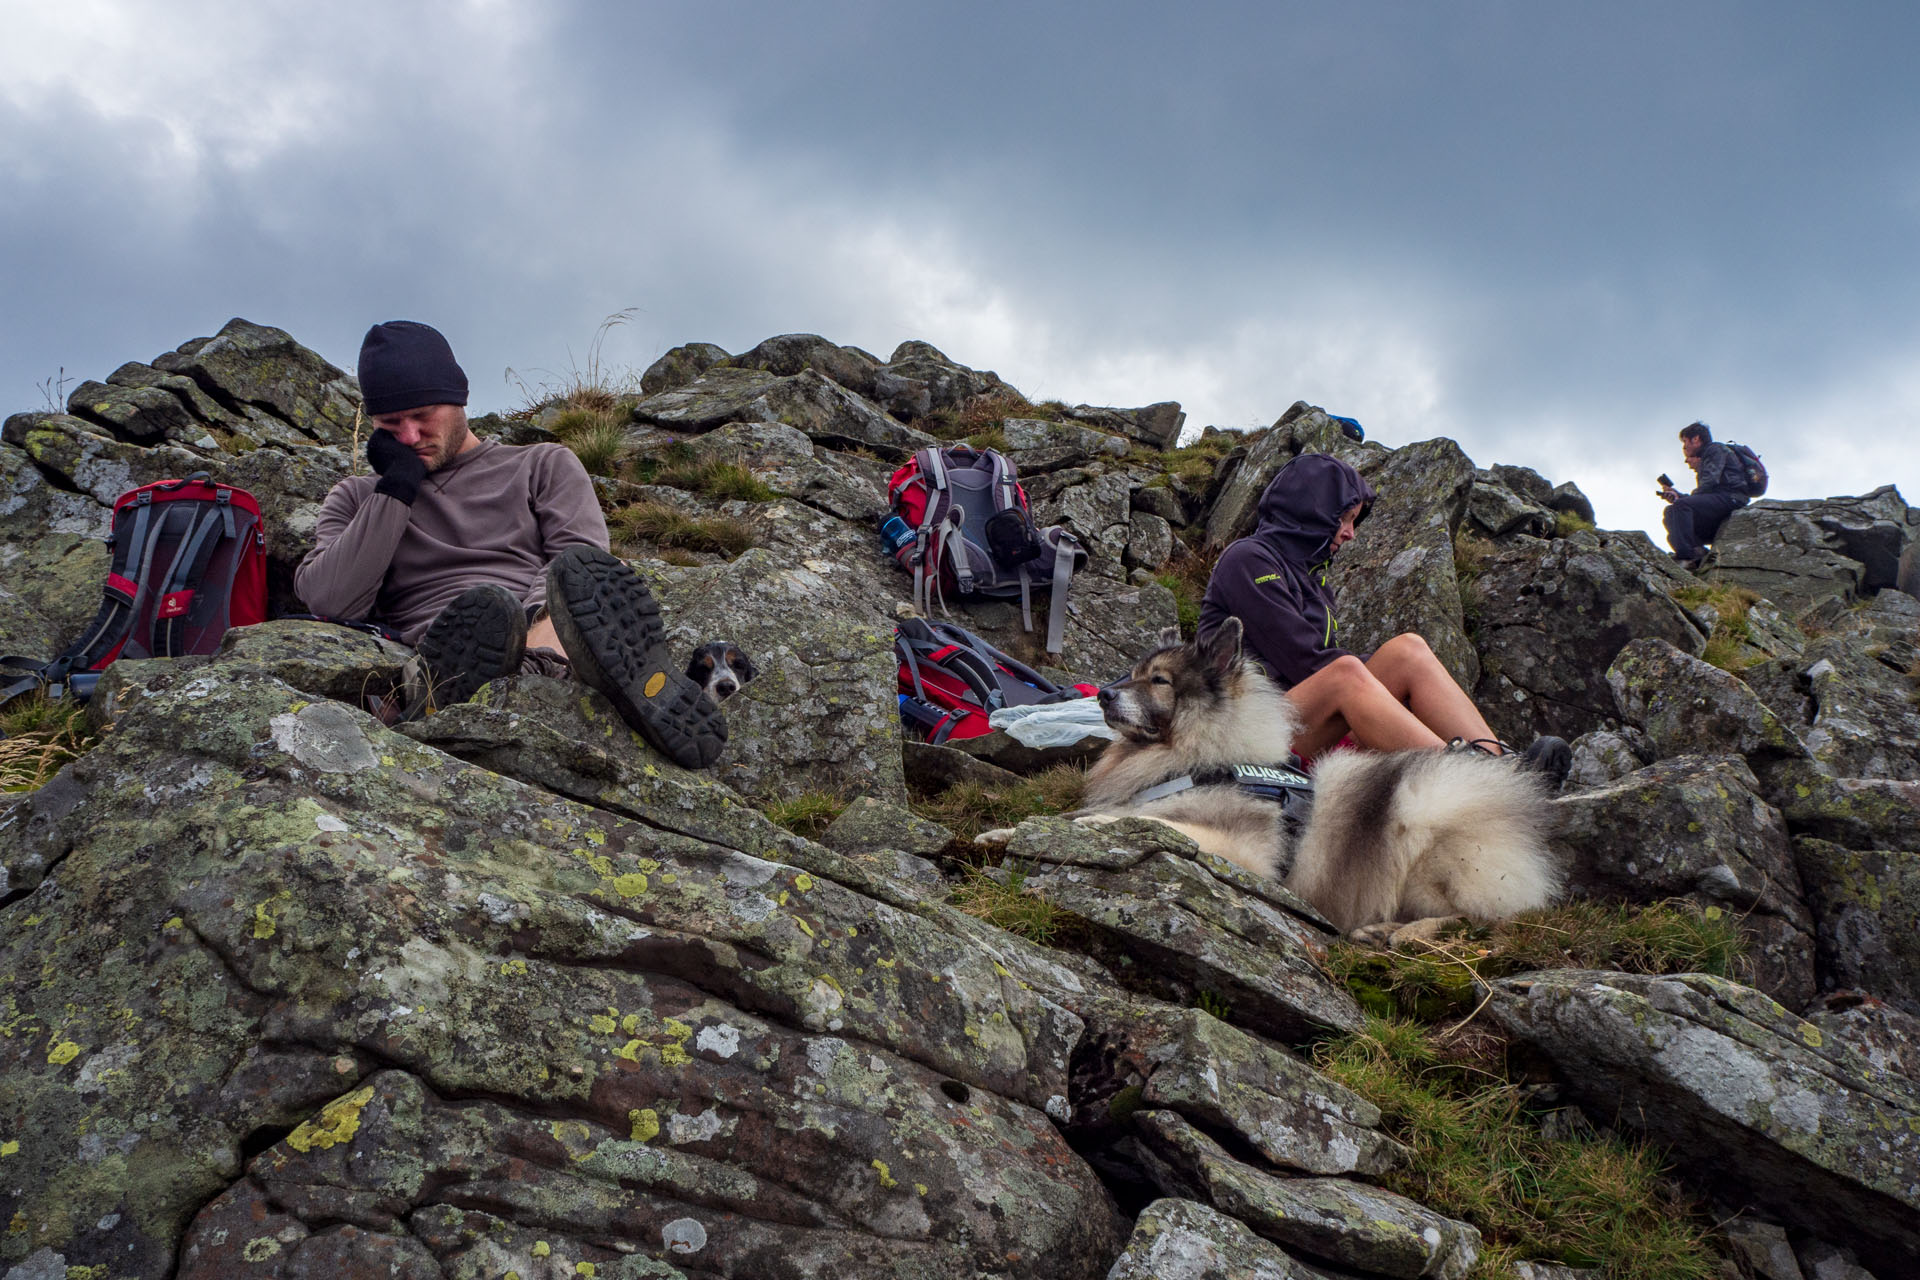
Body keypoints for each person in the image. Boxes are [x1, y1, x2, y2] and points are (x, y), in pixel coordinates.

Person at [295, 320, 725, 768]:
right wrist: (397, 488)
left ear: (459, 398)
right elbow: (330, 601)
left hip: (542, 626)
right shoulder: (358, 496)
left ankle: (531, 675)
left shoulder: (542, 464)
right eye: (391, 424)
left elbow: (581, 563)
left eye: (422, 416)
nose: (408, 437)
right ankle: (471, 687)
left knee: (577, 586)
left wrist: (526, 633)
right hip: (444, 644)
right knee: (485, 621)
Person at [1197, 452, 1570, 785]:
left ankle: (1504, 769)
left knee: (1407, 650)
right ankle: (1467, 778)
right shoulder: (1248, 559)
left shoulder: (1314, 582)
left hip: (1300, 729)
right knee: (1345, 675)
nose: (1350, 533)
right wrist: (1370, 687)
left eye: (1353, 521)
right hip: (1244, 739)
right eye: (1343, 518)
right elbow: (1304, 662)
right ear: (1309, 510)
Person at [1659, 420, 1750, 571]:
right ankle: (1698, 553)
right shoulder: (1708, 455)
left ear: (1695, 439)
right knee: (1671, 513)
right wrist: (1678, 496)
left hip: (1732, 497)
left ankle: (1686, 557)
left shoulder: (1715, 449)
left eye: (1685, 442)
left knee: (1681, 506)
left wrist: (1683, 500)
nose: (1684, 448)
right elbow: (1705, 494)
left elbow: (1710, 482)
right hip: (1721, 500)